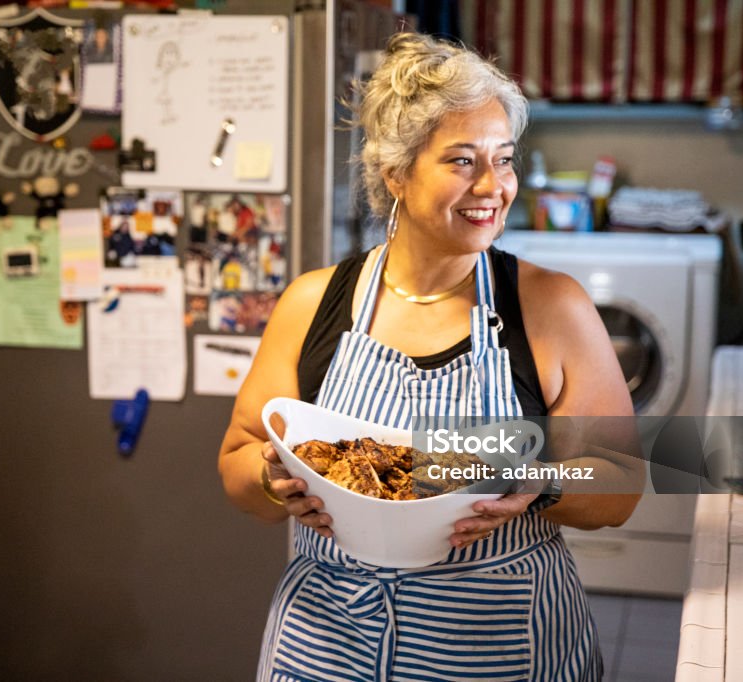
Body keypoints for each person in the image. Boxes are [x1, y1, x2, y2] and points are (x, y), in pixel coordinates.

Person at [219, 32, 643, 681]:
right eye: (462, 161)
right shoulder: (312, 304)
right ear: (396, 172)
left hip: (501, 647)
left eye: (504, 160)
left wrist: (540, 483)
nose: (493, 186)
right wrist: (275, 480)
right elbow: (238, 462)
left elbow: (617, 481)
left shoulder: (551, 308)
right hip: (326, 647)